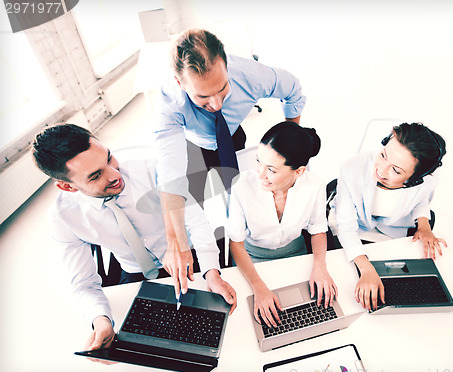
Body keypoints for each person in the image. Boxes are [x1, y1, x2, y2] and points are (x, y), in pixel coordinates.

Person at [32, 124, 237, 351]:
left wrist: (212, 273)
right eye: (96, 175)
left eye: (109, 158)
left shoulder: (153, 170)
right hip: (134, 272)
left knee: (220, 332)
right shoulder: (63, 218)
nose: (115, 175)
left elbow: (197, 221)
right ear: (67, 187)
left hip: (191, 257)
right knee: (142, 344)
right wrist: (101, 321)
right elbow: (83, 283)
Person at [154, 29, 307, 298]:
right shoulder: (170, 104)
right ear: (180, 84)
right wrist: (175, 240)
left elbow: (293, 90)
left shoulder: (251, 75)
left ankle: (244, 241)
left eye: (222, 88)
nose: (216, 103)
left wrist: (289, 142)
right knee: (197, 211)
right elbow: (170, 175)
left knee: (246, 194)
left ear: (227, 66)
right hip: (194, 146)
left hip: (232, 135)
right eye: (202, 97)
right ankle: (214, 259)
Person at [227, 121, 338, 328]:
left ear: (299, 171)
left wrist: (320, 266)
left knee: (311, 312)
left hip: (295, 254)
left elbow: (318, 230)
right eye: (258, 161)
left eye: (271, 169)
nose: (260, 174)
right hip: (251, 259)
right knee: (253, 320)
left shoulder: (315, 186)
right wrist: (258, 287)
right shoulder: (242, 186)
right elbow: (236, 244)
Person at [330, 122, 447, 311]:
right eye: (383, 155)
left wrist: (423, 225)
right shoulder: (352, 168)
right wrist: (367, 269)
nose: (382, 170)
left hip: (392, 232)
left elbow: (421, 201)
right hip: (355, 227)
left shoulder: (427, 181)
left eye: (396, 170)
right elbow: (345, 225)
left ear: (416, 179)